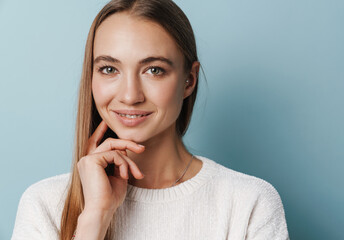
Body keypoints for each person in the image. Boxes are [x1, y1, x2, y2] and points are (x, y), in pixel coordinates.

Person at [11, 0, 289, 239]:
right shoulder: (44, 204)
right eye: (109, 69)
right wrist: (95, 217)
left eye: (154, 70)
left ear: (189, 80)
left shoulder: (249, 203)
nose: (130, 96)